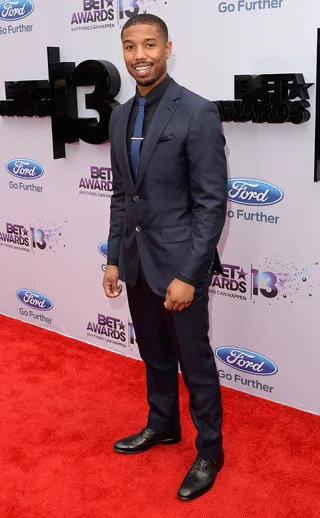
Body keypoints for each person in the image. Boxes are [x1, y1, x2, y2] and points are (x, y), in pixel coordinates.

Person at [103, 13, 228, 501]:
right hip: (135, 262)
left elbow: (212, 203)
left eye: (149, 45)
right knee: (153, 355)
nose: (140, 55)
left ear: (168, 48)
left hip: (180, 266)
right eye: (131, 47)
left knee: (194, 362)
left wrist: (189, 274)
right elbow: (120, 196)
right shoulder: (118, 115)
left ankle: (211, 450)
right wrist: (114, 258)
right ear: (124, 52)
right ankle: (163, 425)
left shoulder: (197, 112)